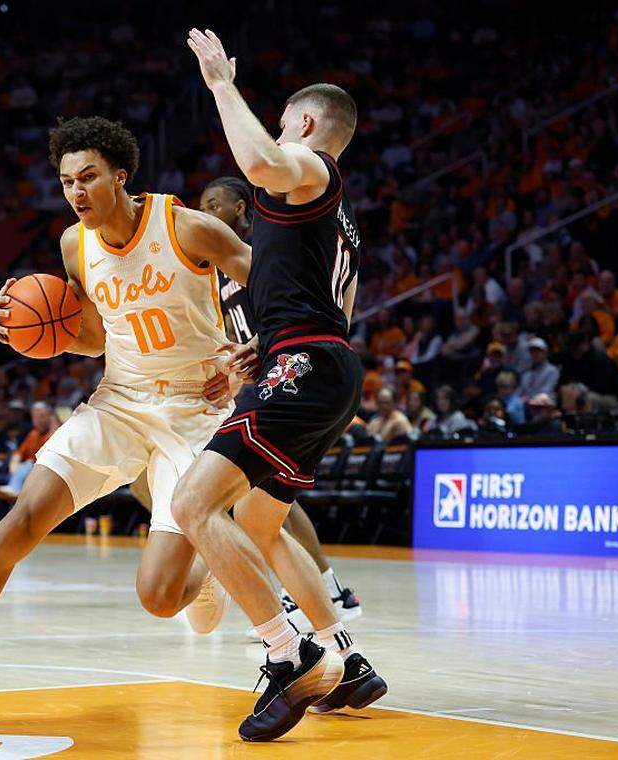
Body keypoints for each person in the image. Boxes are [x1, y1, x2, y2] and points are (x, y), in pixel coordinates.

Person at [0, 114, 259, 730]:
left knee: (160, 598)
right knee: (18, 522)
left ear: (120, 175)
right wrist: (26, 327)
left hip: (194, 407)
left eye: (88, 177)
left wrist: (251, 356)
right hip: (120, 400)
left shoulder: (187, 226)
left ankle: (207, 566)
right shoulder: (73, 245)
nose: (77, 192)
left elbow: (277, 287)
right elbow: (89, 337)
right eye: (66, 182)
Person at [171, 34, 384, 742]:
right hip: (325, 363)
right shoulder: (341, 221)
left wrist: (220, 83)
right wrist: (262, 348)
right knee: (259, 524)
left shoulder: (308, 166)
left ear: (303, 125)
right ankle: (347, 659)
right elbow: (332, 309)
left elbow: (259, 160)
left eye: (284, 122)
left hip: (305, 366)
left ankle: (290, 655)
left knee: (193, 503)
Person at [199, 175, 363, 625]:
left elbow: (299, 306)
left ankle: (313, 599)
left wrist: (261, 345)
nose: (206, 213)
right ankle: (324, 602)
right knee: (267, 502)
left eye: (214, 205)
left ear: (240, 209)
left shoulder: (265, 251)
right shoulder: (215, 272)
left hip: (292, 367)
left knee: (228, 500)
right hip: (267, 373)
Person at [0, 401, 59, 501]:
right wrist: (14, 462)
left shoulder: (54, 434)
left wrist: (54, 421)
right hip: (27, 472)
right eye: (35, 416)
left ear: (49, 417)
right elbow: (19, 453)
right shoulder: (33, 434)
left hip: (45, 472)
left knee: (28, 464)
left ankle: (14, 488)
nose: (38, 420)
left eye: (41, 416)